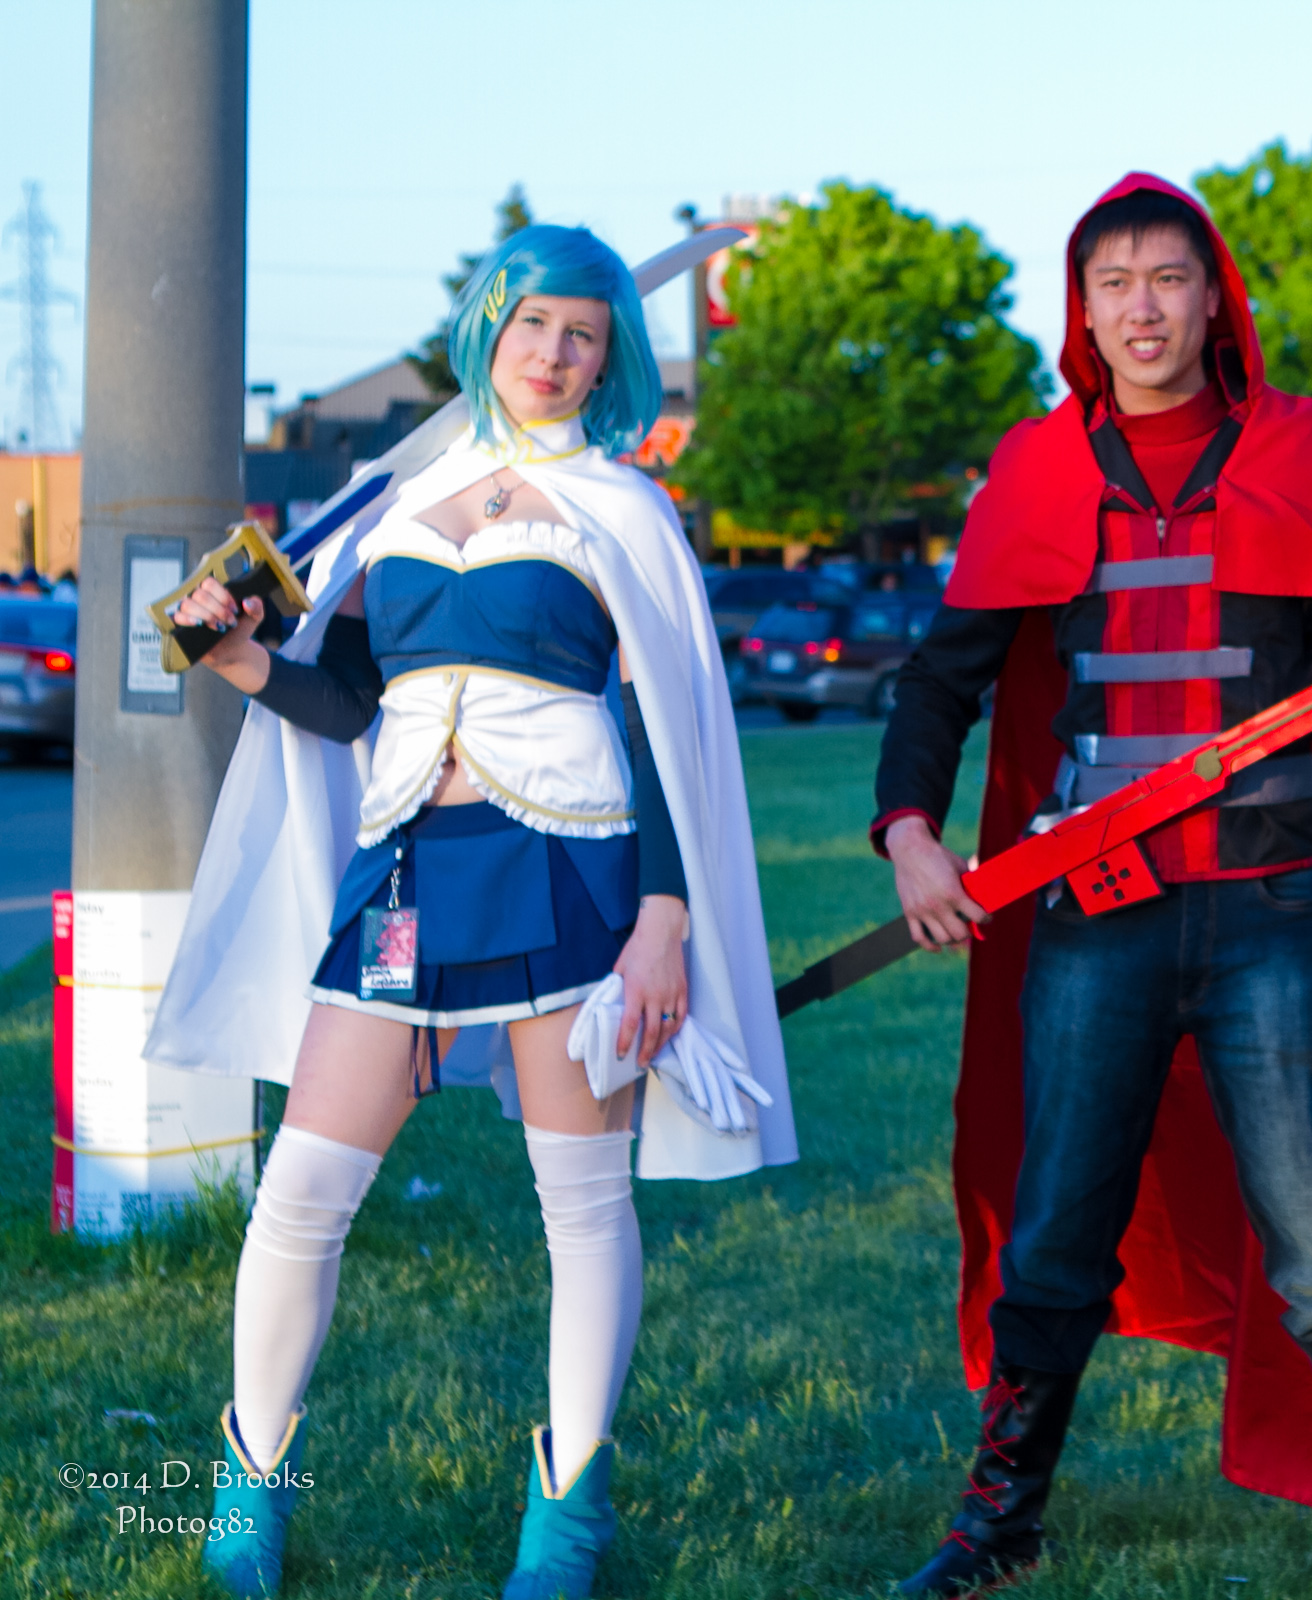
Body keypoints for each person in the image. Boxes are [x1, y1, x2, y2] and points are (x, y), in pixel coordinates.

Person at [873, 175, 1312, 1599]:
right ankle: (999, 1519)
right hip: (1092, 918)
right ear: (1084, 310)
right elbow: (940, 682)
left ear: (1215, 295)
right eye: (1115, 284)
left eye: (1168, 277)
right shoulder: (1036, 469)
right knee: (1055, 1232)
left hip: (1266, 914)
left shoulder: (1303, 452)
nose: (1143, 307)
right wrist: (910, 832)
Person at [149, 225, 795, 1599]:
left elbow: (663, 728)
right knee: (301, 1190)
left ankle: (566, 1521)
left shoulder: (622, 510)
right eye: (533, 324)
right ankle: (248, 1494)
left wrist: (663, 917)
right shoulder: (397, 502)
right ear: (490, 329)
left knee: (582, 1203)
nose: (554, 354)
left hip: (569, 866)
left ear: (608, 360)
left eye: (584, 335)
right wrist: (251, 661)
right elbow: (349, 703)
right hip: (402, 869)